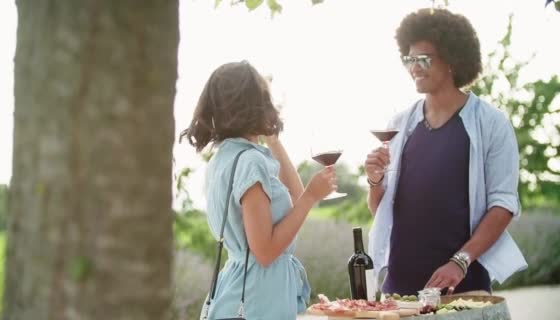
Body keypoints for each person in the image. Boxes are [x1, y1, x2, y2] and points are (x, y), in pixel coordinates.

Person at [364, 8, 527, 296]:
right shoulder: (399, 125)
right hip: (399, 290)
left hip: (463, 286)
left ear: (452, 59)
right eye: (409, 59)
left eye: (423, 59)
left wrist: (460, 262)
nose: (414, 67)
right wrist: (375, 181)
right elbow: (382, 210)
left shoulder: (491, 123)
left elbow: (503, 204)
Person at [180, 61, 336, 319]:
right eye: (265, 97)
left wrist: (273, 141)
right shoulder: (250, 162)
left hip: (241, 289)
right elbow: (264, 251)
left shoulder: (224, 158)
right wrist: (311, 196)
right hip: (258, 297)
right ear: (254, 104)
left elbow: (296, 200)